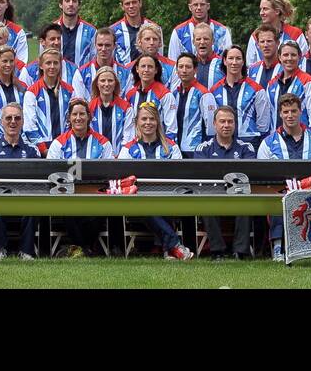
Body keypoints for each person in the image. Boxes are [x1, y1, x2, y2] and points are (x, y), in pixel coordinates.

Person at [116, 102, 194, 261]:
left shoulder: (171, 147)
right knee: (146, 203)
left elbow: (179, 175)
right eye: (144, 119)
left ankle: (169, 250)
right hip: (138, 199)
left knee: (161, 202)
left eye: (152, 119)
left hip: (168, 196)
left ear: (158, 121)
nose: (148, 123)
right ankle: (175, 245)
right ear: (137, 122)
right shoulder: (128, 149)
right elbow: (123, 179)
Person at [258, 93, 311, 262]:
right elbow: (263, 174)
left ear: (300, 112)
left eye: (293, 111)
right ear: (280, 114)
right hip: (281, 191)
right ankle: (277, 247)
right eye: (286, 112)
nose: (290, 115)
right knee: (277, 198)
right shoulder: (268, 143)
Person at [47, 98, 113, 257]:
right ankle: (87, 248)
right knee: (70, 207)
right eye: (74, 114)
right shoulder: (58, 143)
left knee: (95, 209)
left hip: (96, 195)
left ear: (89, 117)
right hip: (67, 195)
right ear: (69, 118)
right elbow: (50, 171)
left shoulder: (103, 143)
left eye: (82, 114)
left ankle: (79, 248)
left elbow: (110, 172)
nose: (78, 118)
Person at [193, 105, 255, 260]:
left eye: (230, 122)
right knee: (207, 201)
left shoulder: (246, 148)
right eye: (222, 121)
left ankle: (240, 252)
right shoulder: (203, 149)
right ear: (214, 124)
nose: (226, 125)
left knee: (246, 200)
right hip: (213, 194)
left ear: (235, 124)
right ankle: (217, 251)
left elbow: (248, 175)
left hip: (238, 194)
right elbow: (202, 176)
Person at [0, 102, 42, 259]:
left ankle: (27, 251)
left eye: (17, 118)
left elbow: (36, 180)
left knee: (33, 206)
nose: (13, 121)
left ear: (22, 121)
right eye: (9, 118)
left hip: (25, 199)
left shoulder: (32, 150)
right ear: (2, 121)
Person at [200, 46, 270, 148]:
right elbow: (211, 122)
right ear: (224, 61)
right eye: (231, 58)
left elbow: (263, 125)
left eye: (238, 58)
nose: (234, 62)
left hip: (249, 145)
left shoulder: (257, 90)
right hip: (222, 146)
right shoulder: (214, 91)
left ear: (243, 62)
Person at [23, 48, 74, 150]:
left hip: (65, 147)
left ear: (60, 65)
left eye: (55, 63)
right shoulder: (32, 92)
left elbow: (72, 122)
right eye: (48, 63)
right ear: (41, 66)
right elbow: (29, 126)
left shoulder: (70, 91)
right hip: (42, 147)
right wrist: (43, 149)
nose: (52, 66)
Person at [265, 42, 311, 131]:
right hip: (277, 139)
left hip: (301, 139)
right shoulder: (272, 84)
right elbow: (268, 116)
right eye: (286, 55)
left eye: (293, 55)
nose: (289, 58)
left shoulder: (308, 82)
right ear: (279, 57)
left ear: (299, 57)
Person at [168, 0, 232, 60]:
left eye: (202, 4)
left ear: (208, 6)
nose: (199, 8)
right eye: (195, 5)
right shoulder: (178, 32)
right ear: (190, 7)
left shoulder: (223, 31)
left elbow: (229, 59)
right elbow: (173, 61)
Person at [245, 0, 307, 65]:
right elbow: (250, 66)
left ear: (277, 11)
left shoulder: (295, 33)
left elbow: (304, 63)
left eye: (265, 9)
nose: (261, 13)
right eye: (261, 9)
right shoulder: (255, 36)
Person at [74, 27, 132, 102]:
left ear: (114, 46)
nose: (103, 49)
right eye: (100, 45)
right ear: (95, 45)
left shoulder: (126, 74)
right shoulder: (81, 74)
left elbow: (128, 103)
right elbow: (80, 104)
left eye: (107, 45)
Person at [166, 52, 208, 150]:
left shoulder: (203, 94)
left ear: (195, 70)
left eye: (188, 67)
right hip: (176, 148)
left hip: (196, 149)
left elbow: (210, 127)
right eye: (181, 67)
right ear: (176, 70)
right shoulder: (174, 94)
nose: (184, 70)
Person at [87, 66, 135, 149]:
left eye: (110, 81)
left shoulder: (126, 108)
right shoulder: (89, 108)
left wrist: (120, 157)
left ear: (115, 83)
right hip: (96, 158)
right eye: (102, 81)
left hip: (120, 158)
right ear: (97, 84)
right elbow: (90, 136)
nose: (106, 84)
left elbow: (128, 137)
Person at [110, 0, 158, 65]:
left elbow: (159, 56)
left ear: (140, 3)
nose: (131, 6)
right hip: (123, 76)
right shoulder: (113, 31)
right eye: (127, 4)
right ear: (122, 6)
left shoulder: (154, 28)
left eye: (134, 2)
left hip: (148, 74)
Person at [25, 23, 79, 89]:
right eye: (52, 39)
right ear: (42, 42)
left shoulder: (73, 69)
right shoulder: (29, 71)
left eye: (58, 39)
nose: (57, 42)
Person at [55, 0, 97, 68]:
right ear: (60, 4)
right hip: (58, 78)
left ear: (79, 5)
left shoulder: (91, 31)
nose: (71, 4)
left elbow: (95, 59)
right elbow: (43, 58)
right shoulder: (51, 30)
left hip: (82, 79)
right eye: (67, 1)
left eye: (74, 1)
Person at [124, 52, 172, 123]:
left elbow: (171, 129)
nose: (146, 70)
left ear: (156, 70)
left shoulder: (164, 94)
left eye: (150, 66)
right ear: (137, 69)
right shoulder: (130, 95)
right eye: (143, 66)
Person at [190, 22, 225, 89]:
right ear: (193, 42)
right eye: (198, 39)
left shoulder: (223, 64)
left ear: (213, 41)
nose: (202, 42)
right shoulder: (189, 65)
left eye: (206, 39)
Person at [247, 24, 281, 90]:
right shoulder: (252, 70)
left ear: (277, 43)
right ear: (258, 45)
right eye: (262, 42)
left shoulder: (286, 69)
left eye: (269, 41)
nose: (265, 45)